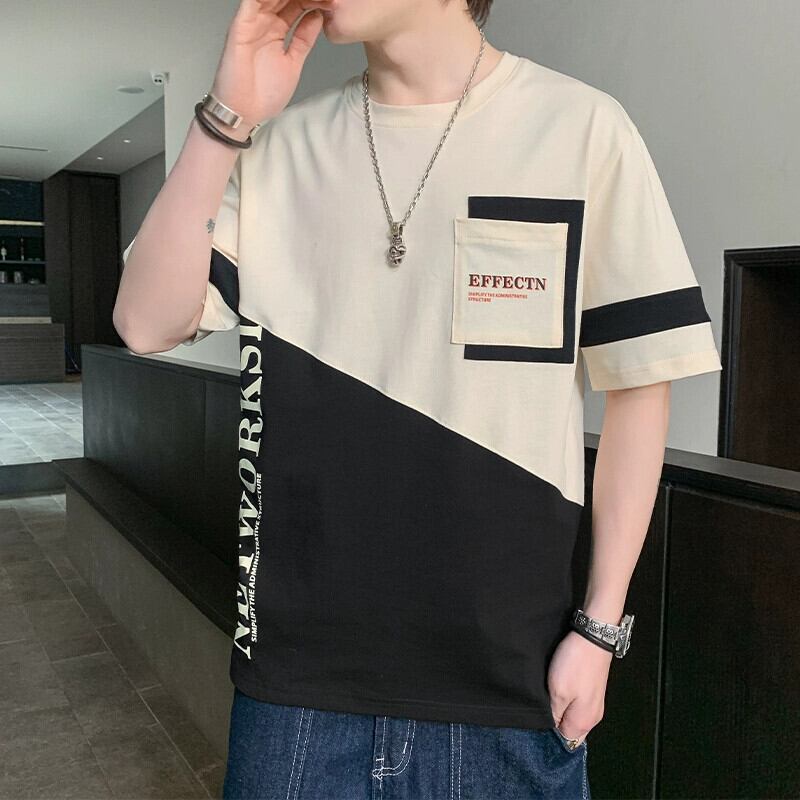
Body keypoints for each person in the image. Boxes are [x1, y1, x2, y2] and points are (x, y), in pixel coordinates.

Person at [114, 0, 723, 797]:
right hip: (297, 686)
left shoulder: (582, 130)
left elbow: (641, 386)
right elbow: (144, 322)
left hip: (512, 688)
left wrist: (600, 629)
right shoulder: (278, 147)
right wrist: (226, 116)